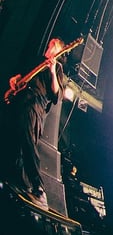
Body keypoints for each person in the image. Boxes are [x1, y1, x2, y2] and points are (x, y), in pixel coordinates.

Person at [0, 37, 66, 210]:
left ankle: (39, 188)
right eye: (50, 44)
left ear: (58, 51)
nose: (49, 46)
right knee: (14, 139)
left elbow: (56, 95)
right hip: (20, 102)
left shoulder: (57, 68)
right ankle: (18, 180)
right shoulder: (37, 61)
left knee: (28, 142)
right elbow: (20, 76)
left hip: (34, 105)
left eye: (53, 46)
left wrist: (52, 71)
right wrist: (14, 79)